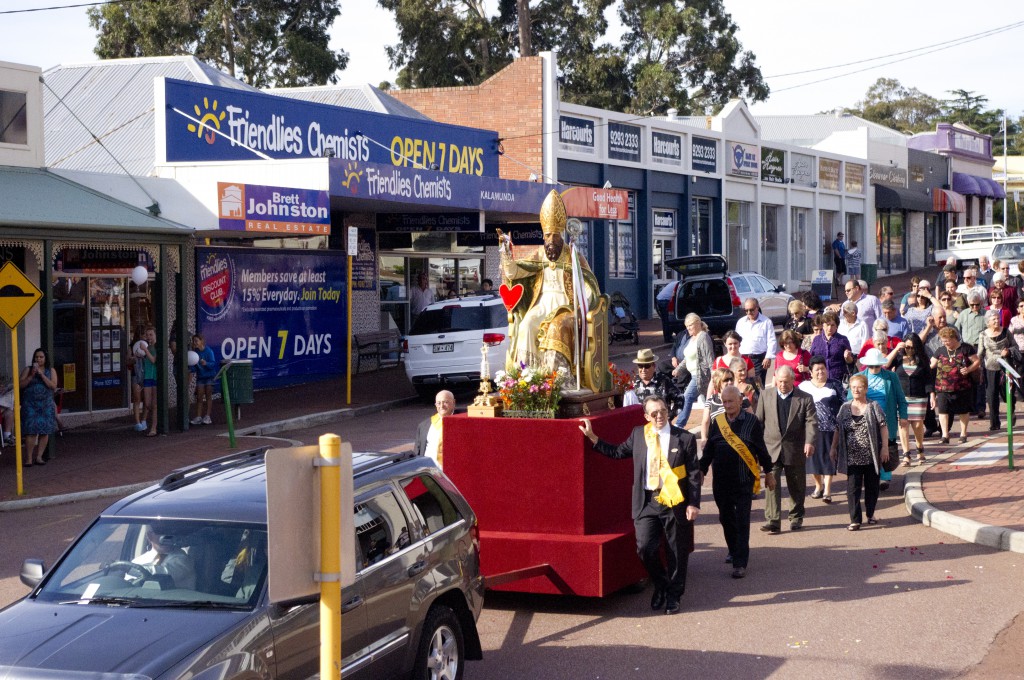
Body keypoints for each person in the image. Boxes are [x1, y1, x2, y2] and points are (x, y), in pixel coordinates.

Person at [579, 396, 701, 614]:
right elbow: (617, 452)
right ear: (646, 416)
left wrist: (693, 503)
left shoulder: (684, 438)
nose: (659, 416)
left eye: (663, 411)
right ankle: (661, 584)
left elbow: (693, 474)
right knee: (644, 548)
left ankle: (674, 596)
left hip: (674, 501)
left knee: (676, 552)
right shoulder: (638, 434)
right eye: (654, 413)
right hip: (646, 501)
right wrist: (593, 438)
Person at [499, 190, 601, 385]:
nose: (551, 240)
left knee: (557, 326)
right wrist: (505, 253)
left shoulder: (573, 256)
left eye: (555, 235)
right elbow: (514, 273)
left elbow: (588, 282)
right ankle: (527, 377)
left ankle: (556, 378)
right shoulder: (538, 254)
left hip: (565, 304)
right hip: (542, 302)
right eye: (547, 235)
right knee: (527, 324)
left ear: (561, 234)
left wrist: (583, 306)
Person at [701, 385, 776, 578]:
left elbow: (761, 450)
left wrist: (769, 472)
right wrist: (701, 470)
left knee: (742, 521)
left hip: (743, 481)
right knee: (726, 518)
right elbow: (709, 449)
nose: (727, 405)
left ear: (740, 401)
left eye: (730, 401)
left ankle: (740, 563)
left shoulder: (751, 422)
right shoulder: (717, 422)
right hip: (721, 482)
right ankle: (734, 549)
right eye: (724, 402)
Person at [756, 366, 818, 533]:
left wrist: (809, 441)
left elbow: (811, 422)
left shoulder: (805, 398)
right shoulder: (765, 395)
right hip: (771, 448)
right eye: (780, 381)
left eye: (786, 382)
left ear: (792, 381)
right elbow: (758, 423)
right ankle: (773, 520)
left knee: (796, 485)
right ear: (775, 379)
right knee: (771, 484)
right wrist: (757, 447)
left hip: (795, 447)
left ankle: (796, 517)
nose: (782, 385)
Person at [831, 374, 890, 531]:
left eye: (860, 387)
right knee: (853, 489)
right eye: (853, 387)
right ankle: (855, 520)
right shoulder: (845, 407)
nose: (856, 390)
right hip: (852, 457)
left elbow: (883, 427)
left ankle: (870, 514)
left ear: (866, 389)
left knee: (872, 488)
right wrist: (833, 447)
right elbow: (837, 429)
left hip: (871, 456)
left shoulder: (873, 406)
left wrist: (884, 447)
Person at [853, 347, 908, 491]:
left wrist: (903, 416)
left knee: (887, 445)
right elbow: (849, 399)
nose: (874, 368)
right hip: (866, 419)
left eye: (877, 365)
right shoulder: (859, 376)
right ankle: (871, 475)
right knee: (868, 447)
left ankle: (885, 476)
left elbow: (900, 398)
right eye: (871, 365)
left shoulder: (891, 377)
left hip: (887, 417)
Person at [800, 355, 844, 502]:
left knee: (829, 459)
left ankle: (827, 491)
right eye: (817, 369)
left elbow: (844, 403)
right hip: (810, 430)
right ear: (810, 372)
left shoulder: (835, 385)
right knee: (812, 461)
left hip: (831, 429)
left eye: (823, 368)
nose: (821, 372)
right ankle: (818, 486)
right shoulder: (803, 387)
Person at [930, 327, 981, 445]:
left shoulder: (966, 348)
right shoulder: (940, 350)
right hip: (942, 387)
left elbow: (977, 361)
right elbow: (931, 364)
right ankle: (945, 435)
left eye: (947, 341)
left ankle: (963, 433)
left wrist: (968, 369)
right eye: (943, 341)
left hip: (962, 386)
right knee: (943, 411)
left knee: (963, 411)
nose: (945, 343)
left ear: (954, 338)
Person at [893, 332, 930, 465]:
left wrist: (932, 395)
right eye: (907, 347)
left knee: (918, 424)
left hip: (919, 396)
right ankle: (906, 455)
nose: (909, 350)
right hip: (902, 397)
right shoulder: (898, 358)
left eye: (913, 348)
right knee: (903, 425)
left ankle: (920, 450)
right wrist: (897, 349)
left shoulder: (923, 359)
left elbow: (928, 379)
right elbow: (885, 364)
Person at [670, 315, 714, 428]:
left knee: (687, 397)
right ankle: (714, 425)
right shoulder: (693, 338)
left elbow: (710, 357)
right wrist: (678, 369)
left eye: (690, 325)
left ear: (698, 324)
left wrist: (714, 376)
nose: (688, 328)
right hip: (693, 375)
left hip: (701, 376)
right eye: (687, 326)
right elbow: (688, 358)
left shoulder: (703, 337)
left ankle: (679, 425)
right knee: (708, 403)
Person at [977, 310, 1016, 431]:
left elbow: (1015, 346)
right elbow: (980, 353)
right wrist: (978, 368)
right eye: (993, 319)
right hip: (990, 367)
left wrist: (1008, 351)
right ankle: (994, 423)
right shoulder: (983, 334)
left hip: (1006, 366)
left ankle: (1012, 410)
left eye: (997, 318)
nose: (996, 321)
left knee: (1007, 393)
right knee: (991, 395)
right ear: (987, 322)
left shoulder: (1005, 331)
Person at [20, 348, 58, 467]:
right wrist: (31, 376)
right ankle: (29, 458)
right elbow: (20, 385)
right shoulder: (28, 369)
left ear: (45, 359)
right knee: (31, 431)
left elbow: (53, 386)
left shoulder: (50, 370)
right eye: (36, 357)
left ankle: (39, 457)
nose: (38, 359)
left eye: (41, 357)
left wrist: (42, 375)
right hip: (30, 404)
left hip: (45, 404)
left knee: (44, 431)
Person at [132, 524, 196, 590]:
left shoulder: (183, 560)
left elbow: (163, 573)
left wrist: (132, 569)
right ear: (150, 536)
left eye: (169, 531)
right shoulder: (138, 561)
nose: (167, 536)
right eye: (161, 532)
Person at [735, 298, 777, 388]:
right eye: (746, 310)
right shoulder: (741, 322)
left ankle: (760, 402)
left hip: (759, 359)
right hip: (743, 358)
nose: (749, 312)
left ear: (757, 308)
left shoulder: (766, 322)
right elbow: (736, 340)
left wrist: (768, 357)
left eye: (751, 310)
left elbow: (771, 340)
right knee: (742, 385)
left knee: (758, 386)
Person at [700, 368, 751, 440]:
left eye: (731, 379)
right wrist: (704, 438)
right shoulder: (711, 401)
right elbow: (705, 422)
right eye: (726, 380)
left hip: (740, 442)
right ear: (718, 382)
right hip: (718, 442)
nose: (730, 382)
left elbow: (752, 420)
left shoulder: (742, 398)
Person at [629, 348, 683, 418]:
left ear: (653, 366)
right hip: (640, 425)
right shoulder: (634, 382)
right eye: (640, 366)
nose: (643, 370)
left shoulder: (663, 380)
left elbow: (680, 397)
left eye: (647, 366)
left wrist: (671, 415)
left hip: (660, 423)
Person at [809, 312, 855, 386]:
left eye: (832, 325)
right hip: (820, 378)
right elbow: (811, 358)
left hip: (838, 379)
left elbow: (851, 362)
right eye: (827, 325)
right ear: (823, 325)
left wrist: (848, 358)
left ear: (837, 326)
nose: (830, 328)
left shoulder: (842, 340)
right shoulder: (817, 339)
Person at [413, 390, 455, 469]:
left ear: (453, 403)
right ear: (435, 405)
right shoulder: (423, 426)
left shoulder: (461, 424)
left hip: (452, 469)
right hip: (430, 472)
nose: (442, 406)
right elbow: (417, 451)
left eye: (445, 402)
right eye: (439, 403)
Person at [189, 333, 217, 426]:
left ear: (202, 341)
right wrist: (190, 368)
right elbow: (194, 367)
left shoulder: (208, 351)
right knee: (199, 396)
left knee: (208, 395)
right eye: (194, 341)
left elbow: (213, 364)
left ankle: (207, 416)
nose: (195, 343)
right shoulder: (195, 353)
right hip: (200, 377)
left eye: (196, 341)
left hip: (209, 376)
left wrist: (206, 364)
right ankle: (198, 416)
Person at [141, 325, 159, 437]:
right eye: (147, 335)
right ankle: (151, 422)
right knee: (147, 404)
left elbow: (153, 360)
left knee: (154, 404)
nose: (149, 337)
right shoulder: (145, 347)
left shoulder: (156, 347)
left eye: (151, 335)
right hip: (147, 376)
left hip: (155, 376)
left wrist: (145, 350)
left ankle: (154, 427)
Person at [128, 325, 146, 432]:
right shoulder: (131, 346)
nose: (145, 337)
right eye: (143, 335)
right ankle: (137, 422)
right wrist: (132, 359)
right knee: (137, 398)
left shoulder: (147, 346)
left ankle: (143, 420)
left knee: (146, 400)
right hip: (136, 373)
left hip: (146, 373)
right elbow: (127, 361)